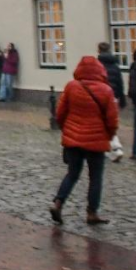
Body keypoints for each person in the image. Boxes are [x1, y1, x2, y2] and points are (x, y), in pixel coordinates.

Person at [50, 56, 118, 225]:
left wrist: (66, 130)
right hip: (96, 141)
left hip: (73, 139)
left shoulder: (72, 86)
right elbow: (112, 119)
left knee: (72, 174)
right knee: (95, 177)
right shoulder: (106, 90)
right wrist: (109, 136)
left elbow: (60, 113)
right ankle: (92, 213)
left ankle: (58, 203)